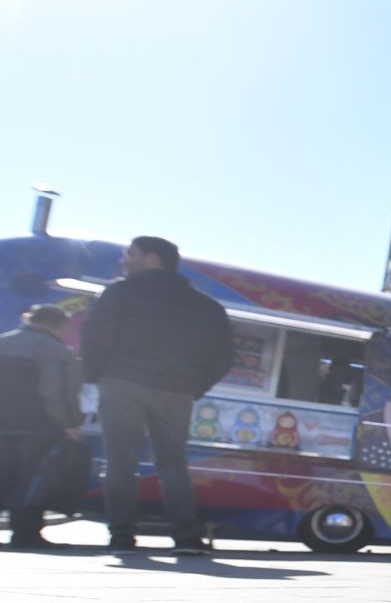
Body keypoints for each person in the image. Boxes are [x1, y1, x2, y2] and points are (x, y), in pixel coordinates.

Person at [80, 236, 235, 556]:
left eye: (130, 254)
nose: (124, 261)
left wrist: (96, 374)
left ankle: (122, 537)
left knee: (121, 462)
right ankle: (186, 538)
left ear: (152, 258)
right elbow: (224, 356)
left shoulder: (120, 292)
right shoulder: (207, 306)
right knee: (173, 465)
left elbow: (95, 333)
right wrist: (194, 387)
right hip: (176, 392)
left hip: (123, 383)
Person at [0, 305, 84, 549]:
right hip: (37, 427)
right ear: (58, 325)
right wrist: (70, 424)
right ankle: (25, 533)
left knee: (4, 476)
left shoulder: (3, 341)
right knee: (31, 481)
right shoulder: (54, 350)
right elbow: (55, 392)